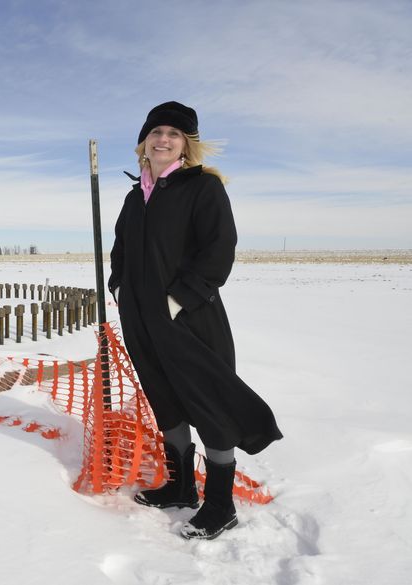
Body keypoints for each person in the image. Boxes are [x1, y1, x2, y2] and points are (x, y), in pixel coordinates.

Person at [107, 101, 282, 540]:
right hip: (141, 320)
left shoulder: (203, 188)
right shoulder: (135, 196)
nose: (163, 139)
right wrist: (119, 286)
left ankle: (220, 506)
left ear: (187, 144)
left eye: (174, 134)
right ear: (143, 141)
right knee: (164, 400)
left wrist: (178, 300)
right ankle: (180, 486)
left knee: (210, 404)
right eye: (156, 132)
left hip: (189, 318)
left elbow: (219, 250)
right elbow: (122, 250)